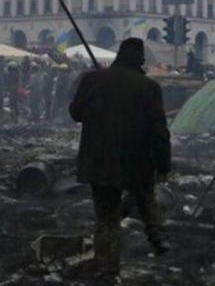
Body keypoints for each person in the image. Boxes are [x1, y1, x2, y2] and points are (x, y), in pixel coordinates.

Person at [69, 38, 171, 284]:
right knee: (145, 194)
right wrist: (164, 163)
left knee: (106, 217)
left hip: (100, 158)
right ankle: (156, 235)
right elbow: (159, 131)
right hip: (136, 159)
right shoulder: (149, 87)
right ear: (141, 59)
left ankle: (108, 269)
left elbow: (75, 113)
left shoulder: (92, 79)